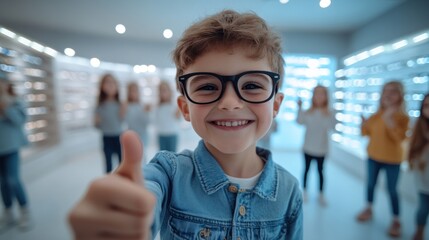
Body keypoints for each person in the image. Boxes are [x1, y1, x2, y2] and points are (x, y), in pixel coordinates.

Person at [68, 9, 303, 239]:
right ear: (184, 108)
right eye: (207, 87)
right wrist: (123, 214)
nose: (230, 103)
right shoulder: (168, 173)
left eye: (252, 86)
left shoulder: (289, 191)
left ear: (275, 105)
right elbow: (148, 191)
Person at [356, 81, 409, 237]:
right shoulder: (376, 115)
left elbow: (400, 139)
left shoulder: (403, 118)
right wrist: (363, 124)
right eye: (386, 91)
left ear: (400, 95)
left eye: (393, 91)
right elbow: (365, 133)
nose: (388, 94)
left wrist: (389, 119)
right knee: (370, 184)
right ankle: (368, 208)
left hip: (393, 160)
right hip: (373, 156)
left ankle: (396, 219)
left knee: (392, 190)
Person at [0, 81, 31, 231]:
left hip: (11, 147)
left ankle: (25, 211)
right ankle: (8, 213)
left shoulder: (15, 101)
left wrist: (6, 107)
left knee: (13, 180)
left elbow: (20, 121)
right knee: (2, 182)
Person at [296, 85, 334, 206]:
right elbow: (299, 121)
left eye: (322, 94)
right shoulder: (308, 112)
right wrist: (299, 108)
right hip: (308, 148)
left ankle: (321, 194)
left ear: (326, 97)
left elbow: (332, 127)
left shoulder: (329, 113)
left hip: (321, 149)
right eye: (317, 93)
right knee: (306, 170)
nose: (319, 96)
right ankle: (305, 191)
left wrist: (332, 114)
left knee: (320, 172)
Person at [407, 93, 429, 240]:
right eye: (427, 106)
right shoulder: (419, 126)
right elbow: (412, 153)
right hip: (423, 178)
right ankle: (419, 231)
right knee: (423, 209)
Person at [94, 73, 125, 173]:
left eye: (112, 82)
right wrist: (96, 122)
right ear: (102, 86)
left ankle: (122, 183)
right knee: (108, 164)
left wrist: (123, 111)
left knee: (122, 163)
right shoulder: (100, 105)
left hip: (118, 136)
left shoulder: (120, 104)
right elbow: (97, 125)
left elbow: (123, 120)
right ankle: (109, 185)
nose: (110, 85)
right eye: (107, 82)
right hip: (106, 137)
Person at [125, 81, 150, 162]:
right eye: (131, 91)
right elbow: (126, 120)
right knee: (132, 156)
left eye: (135, 90)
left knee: (142, 156)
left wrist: (146, 112)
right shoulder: (126, 106)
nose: (133, 93)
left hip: (142, 135)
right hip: (132, 134)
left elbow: (147, 122)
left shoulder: (142, 106)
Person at [154, 81, 181, 152]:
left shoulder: (174, 105)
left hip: (172, 134)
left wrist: (178, 111)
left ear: (169, 91)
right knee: (162, 156)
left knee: (172, 155)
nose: (163, 93)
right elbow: (154, 120)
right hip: (161, 135)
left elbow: (178, 118)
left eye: (165, 90)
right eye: (161, 91)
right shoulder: (157, 107)